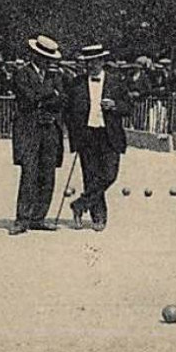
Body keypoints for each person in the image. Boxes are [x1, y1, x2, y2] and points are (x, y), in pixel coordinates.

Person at [66, 43, 130, 232]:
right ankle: (98, 216)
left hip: (109, 135)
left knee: (110, 174)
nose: (91, 66)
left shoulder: (116, 82)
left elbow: (129, 108)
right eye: (88, 63)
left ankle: (79, 204)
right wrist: (75, 135)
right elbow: (69, 112)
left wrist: (115, 106)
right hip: (87, 135)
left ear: (102, 61)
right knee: (91, 176)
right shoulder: (76, 84)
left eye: (95, 61)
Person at [8, 35, 66, 234]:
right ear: (34, 55)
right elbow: (29, 98)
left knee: (47, 174)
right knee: (29, 173)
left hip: (50, 129)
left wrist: (49, 97)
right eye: (42, 56)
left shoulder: (55, 76)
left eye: (49, 57)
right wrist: (51, 95)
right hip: (29, 130)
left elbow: (62, 99)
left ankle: (39, 217)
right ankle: (23, 219)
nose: (46, 61)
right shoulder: (22, 74)